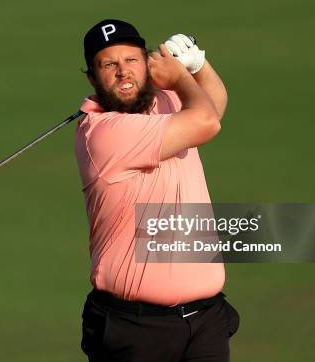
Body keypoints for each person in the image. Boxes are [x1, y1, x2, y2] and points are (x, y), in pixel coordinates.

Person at [74, 19, 239, 362]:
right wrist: (180, 76)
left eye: (131, 60)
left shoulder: (161, 104)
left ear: (148, 64)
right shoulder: (104, 134)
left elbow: (215, 106)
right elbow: (206, 121)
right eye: (109, 64)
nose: (123, 72)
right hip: (137, 329)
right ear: (93, 78)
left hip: (205, 322)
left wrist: (197, 65)